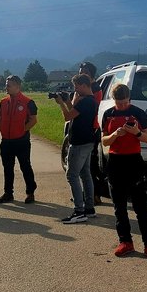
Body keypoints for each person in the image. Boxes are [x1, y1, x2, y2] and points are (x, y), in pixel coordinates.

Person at [101, 83, 147, 260]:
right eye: (119, 103)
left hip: (134, 161)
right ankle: (125, 242)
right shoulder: (108, 114)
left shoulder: (139, 113)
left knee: (141, 207)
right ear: (114, 100)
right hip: (115, 161)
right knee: (119, 207)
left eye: (125, 102)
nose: (122, 106)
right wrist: (114, 136)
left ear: (129, 99)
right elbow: (104, 141)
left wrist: (136, 132)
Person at [55, 73, 98, 224]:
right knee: (86, 174)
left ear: (84, 85)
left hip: (79, 143)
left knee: (72, 175)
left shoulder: (85, 101)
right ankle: (89, 208)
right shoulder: (90, 101)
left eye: (77, 86)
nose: (75, 89)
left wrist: (61, 103)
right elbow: (75, 113)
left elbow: (68, 116)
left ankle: (79, 210)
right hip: (88, 142)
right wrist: (68, 101)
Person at [0, 75, 38, 204]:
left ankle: (30, 192)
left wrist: (22, 130)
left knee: (25, 166)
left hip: (21, 141)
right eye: (6, 85)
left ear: (17, 86)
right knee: (7, 168)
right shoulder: (3, 102)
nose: (6, 87)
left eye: (9, 85)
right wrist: (2, 130)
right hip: (6, 141)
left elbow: (33, 120)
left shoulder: (28, 102)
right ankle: (8, 193)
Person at [79, 62, 104, 209]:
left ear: (91, 74)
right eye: (80, 71)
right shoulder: (87, 87)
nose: (82, 73)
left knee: (91, 164)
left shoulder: (94, 88)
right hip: (85, 126)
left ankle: (95, 195)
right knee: (86, 164)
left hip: (91, 128)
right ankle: (89, 194)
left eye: (85, 71)